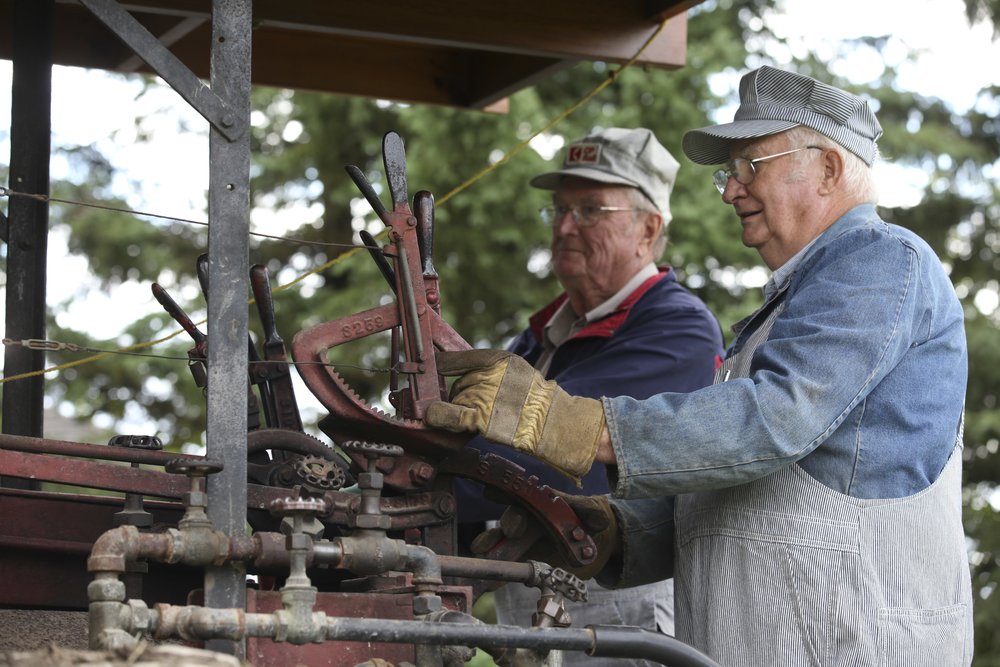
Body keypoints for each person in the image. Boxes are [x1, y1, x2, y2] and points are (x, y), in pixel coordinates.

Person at [428, 66, 973, 666]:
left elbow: (777, 419)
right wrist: (615, 534)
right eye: (729, 173)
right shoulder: (792, 307)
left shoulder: (881, 258)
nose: (731, 190)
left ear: (828, 168)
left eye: (752, 167)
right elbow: (749, 494)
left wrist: (569, 422)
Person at [453, 127, 724, 663]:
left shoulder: (677, 330)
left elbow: (538, 463)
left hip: (618, 609)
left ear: (648, 228)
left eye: (591, 210)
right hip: (539, 604)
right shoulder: (541, 335)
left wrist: (411, 477)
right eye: (558, 210)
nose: (565, 226)